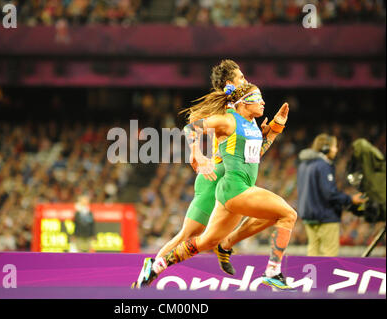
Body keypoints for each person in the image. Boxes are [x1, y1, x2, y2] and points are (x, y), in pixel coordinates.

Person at [132, 60, 280, 288]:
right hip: (215, 177)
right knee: (189, 235)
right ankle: (151, 269)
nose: (246, 80)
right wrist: (197, 154)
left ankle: (223, 246)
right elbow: (192, 122)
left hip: (231, 176)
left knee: (212, 234)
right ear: (230, 82)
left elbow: (249, 149)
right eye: (241, 77)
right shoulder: (226, 108)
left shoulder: (240, 108)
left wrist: (265, 135)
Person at [297, 133, 367, 256]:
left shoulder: (303, 165)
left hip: (308, 216)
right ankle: (325, 276)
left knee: (313, 251)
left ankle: (311, 276)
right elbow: (329, 193)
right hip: (325, 216)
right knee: (329, 253)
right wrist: (350, 199)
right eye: (334, 146)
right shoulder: (323, 165)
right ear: (325, 148)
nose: (336, 149)